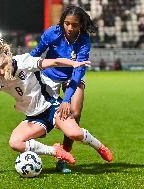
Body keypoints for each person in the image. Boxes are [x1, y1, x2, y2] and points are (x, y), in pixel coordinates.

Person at [0, 41, 113, 170]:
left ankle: (99, 146)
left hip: (51, 106)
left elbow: (54, 61)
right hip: (34, 117)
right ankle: (55, 151)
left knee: (75, 134)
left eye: (3, 66)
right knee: (15, 143)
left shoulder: (24, 61)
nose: (1, 72)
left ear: (9, 60)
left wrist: (73, 63)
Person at [30, 5, 97, 173]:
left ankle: (64, 157)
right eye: (66, 23)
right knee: (38, 111)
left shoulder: (84, 40)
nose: (70, 28)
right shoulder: (52, 33)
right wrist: (19, 66)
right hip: (49, 75)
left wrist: (66, 100)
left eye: (74, 24)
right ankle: (39, 136)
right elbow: (36, 53)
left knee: (74, 112)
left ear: (81, 24)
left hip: (73, 76)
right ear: (62, 22)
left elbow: (78, 71)